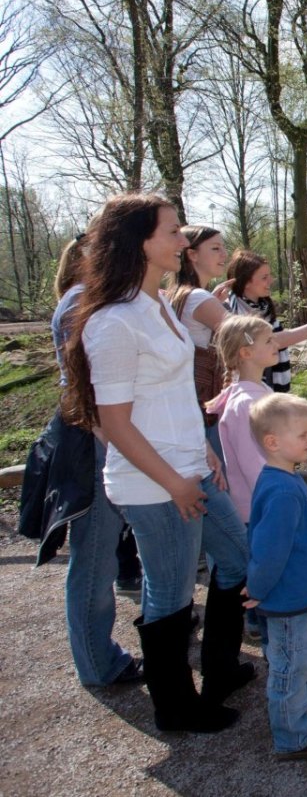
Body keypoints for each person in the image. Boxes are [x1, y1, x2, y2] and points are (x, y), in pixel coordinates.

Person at [61, 193, 253, 733]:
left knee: (236, 556)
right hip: (154, 483)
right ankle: (175, 706)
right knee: (169, 591)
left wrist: (204, 450)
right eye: (172, 232)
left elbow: (172, 394)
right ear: (141, 242)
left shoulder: (159, 306)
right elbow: (114, 423)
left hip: (189, 467)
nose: (182, 241)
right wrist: (173, 482)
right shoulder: (113, 322)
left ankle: (219, 669)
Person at [19, 235, 142, 687]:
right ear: (84, 260)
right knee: (94, 557)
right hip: (91, 440)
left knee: (102, 553)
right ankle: (98, 663)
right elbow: (86, 388)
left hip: (100, 436)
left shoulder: (89, 301)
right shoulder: (78, 302)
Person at [244, 393, 307, 760]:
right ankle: (293, 736)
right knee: (289, 662)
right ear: (273, 442)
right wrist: (257, 588)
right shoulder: (283, 491)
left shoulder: (284, 477)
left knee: (296, 653)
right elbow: (269, 551)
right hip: (288, 597)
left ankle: (305, 697)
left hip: (299, 591)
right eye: (303, 435)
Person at [207, 315, 278, 644]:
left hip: (261, 501)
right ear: (245, 353)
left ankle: (259, 623)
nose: (275, 343)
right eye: (267, 341)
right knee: (266, 572)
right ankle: (272, 637)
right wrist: (282, 499)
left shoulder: (257, 391)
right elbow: (255, 466)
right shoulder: (245, 403)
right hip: (258, 507)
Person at [224, 249, 307, 393]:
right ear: (246, 282)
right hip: (249, 390)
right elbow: (271, 340)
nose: (271, 280)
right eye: (264, 277)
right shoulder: (229, 310)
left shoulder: (263, 307)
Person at [167, 225, 235, 457]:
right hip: (204, 404)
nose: (224, 255)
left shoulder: (178, 293)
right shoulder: (198, 297)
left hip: (187, 402)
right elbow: (248, 336)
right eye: (215, 248)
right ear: (192, 254)